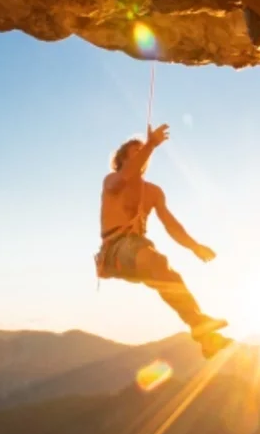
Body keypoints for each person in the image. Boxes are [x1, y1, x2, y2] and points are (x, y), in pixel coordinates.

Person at [96, 124, 231, 357]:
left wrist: (194, 246)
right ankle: (201, 327)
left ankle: (205, 336)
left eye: (144, 152)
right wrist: (151, 144)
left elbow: (171, 225)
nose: (143, 154)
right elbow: (123, 179)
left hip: (137, 249)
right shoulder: (112, 180)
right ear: (122, 160)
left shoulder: (154, 192)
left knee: (171, 278)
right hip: (116, 250)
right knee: (158, 262)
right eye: (136, 152)